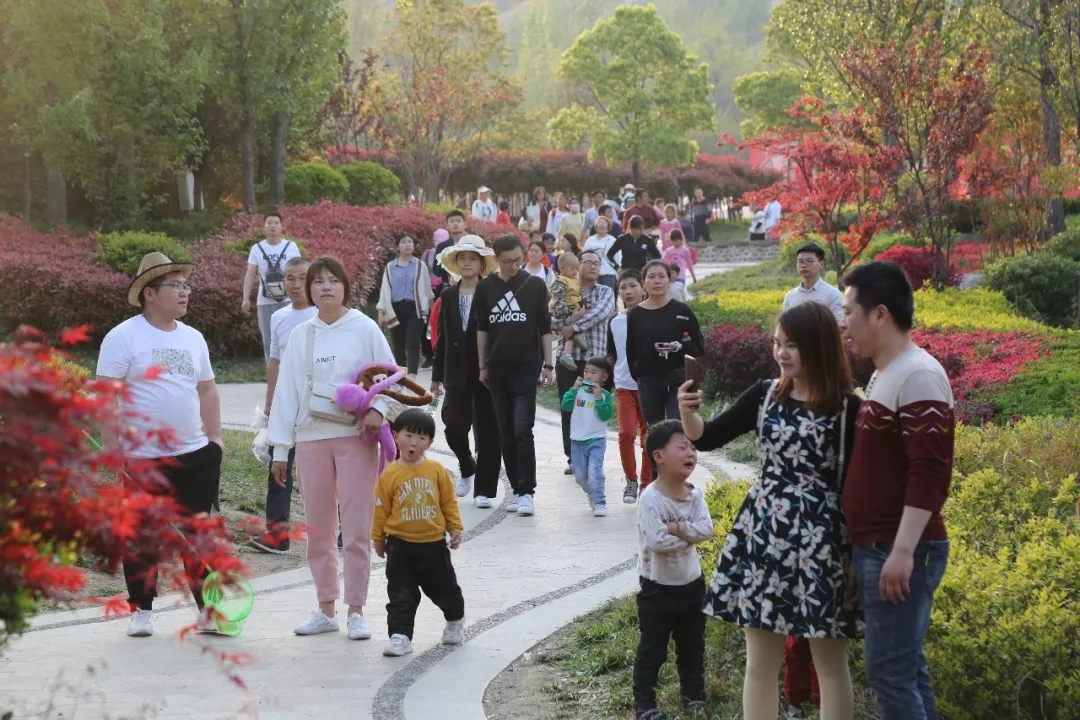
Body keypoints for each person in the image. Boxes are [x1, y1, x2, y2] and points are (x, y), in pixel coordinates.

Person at [678, 301, 862, 720]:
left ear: (819, 347)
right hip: (764, 532)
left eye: (793, 345)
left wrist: (859, 552)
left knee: (830, 663)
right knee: (760, 661)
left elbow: (856, 484)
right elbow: (707, 439)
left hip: (824, 540)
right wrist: (689, 412)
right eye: (778, 343)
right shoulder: (765, 394)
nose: (782, 353)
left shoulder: (848, 408)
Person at [841, 261, 954, 720]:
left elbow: (930, 473)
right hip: (880, 544)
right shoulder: (886, 372)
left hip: (902, 545)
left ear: (880, 314)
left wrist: (903, 551)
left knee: (889, 672)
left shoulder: (918, 374)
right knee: (906, 671)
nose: (844, 323)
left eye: (849, 311)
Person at [268, 255, 396, 640]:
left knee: (356, 527)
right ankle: (326, 608)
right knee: (319, 528)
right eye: (318, 281)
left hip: (356, 438)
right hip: (310, 440)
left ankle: (356, 609)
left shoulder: (364, 327)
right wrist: (279, 449)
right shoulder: (301, 334)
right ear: (308, 289)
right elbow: (287, 392)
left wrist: (378, 409)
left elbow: (390, 378)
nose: (325, 287)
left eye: (333, 280)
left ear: (345, 286)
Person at [96, 252, 224, 637]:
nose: (185, 292)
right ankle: (142, 611)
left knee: (199, 534)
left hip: (195, 453)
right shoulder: (123, 336)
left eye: (186, 285)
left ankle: (209, 610)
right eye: (176, 286)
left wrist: (215, 439)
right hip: (142, 457)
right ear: (150, 293)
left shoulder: (193, 338)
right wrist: (111, 448)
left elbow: (207, 388)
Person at [632, 420, 714, 720]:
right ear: (658, 456)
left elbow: (706, 529)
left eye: (692, 447)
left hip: (693, 585)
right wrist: (688, 535)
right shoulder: (651, 499)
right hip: (657, 589)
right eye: (682, 447)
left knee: (692, 646)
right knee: (653, 650)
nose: (690, 453)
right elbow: (656, 540)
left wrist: (677, 528)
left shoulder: (696, 495)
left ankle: (692, 696)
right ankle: (644, 704)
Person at [372, 409, 466, 658]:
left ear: (430, 443)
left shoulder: (436, 470)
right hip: (399, 545)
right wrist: (378, 538)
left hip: (433, 544)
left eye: (421, 438)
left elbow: (448, 503)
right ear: (395, 435)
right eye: (408, 435)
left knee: (444, 589)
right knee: (400, 593)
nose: (413, 442)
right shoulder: (389, 474)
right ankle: (400, 636)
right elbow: (381, 509)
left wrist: (454, 527)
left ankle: (455, 620)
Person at [475, 235, 554, 517]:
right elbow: (482, 329)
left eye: (518, 261)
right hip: (496, 369)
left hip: (525, 367)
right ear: (496, 259)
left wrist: (549, 365)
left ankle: (526, 491)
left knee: (523, 428)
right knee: (506, 433)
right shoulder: (486, 287)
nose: (513, 266)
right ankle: (517, 489)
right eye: (507, 262)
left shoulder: (534, 285)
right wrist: (482, 366)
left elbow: (545, 327)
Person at [250, 256, 317, 554]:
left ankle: (343, 530)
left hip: (318, 407)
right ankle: (277, 535)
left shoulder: (324, 314)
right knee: (280, 466)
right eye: (289, 277)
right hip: (286, 404)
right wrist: (270, 402)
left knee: (326, 469)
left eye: (301, 277)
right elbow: (274, 360)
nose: (294, 284)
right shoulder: (278, 317)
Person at [431, 235, 502, 509]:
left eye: (473, 258)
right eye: (463, 258)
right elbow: (443, 340)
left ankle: (484, 490)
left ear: (482, 264)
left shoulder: (491, 293)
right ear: (456, 263)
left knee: (488, 431)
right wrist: (436, 378)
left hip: (486, 373)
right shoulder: (447, 295)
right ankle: (466, 464)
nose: (467, 263)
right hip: (455, 373)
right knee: (453, 426)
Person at [551, 250, 616, 474]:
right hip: (567, 359)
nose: (593, 266)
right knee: (569, 408)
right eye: (587, 262)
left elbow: (599, 313)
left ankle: (593, 456)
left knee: (594, 409)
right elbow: (552, 318)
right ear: (577, 266)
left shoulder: (606, 291)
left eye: (597, 263)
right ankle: (573, 458)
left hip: (594, 361)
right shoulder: (564, 288)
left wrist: (572, 326)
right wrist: (570, 321)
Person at [625, 261, 704, 432]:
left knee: (676, 427)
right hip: (648, 380)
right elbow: (631, 352)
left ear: (669, 281)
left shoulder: (682, 311)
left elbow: (698, 347)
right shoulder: (635, 315)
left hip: (678, 379)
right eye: (651, 277)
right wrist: (640, 373)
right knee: (655, 432)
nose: (657, 281)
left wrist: (678, 346)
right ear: (644, 282)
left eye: (662, 276)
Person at [608, 269, 650, 505]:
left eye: (632, 286)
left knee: (647, 437)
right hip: (624, 385)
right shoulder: (615, 322)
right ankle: (631, 480)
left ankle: (646, 483)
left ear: (642, 288)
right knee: (625, 433)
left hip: (648, 386)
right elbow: (612, 354)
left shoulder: (652, 317)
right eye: (623, 287)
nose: (627, 291)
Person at [242, 211, 303, 363]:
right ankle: (273, 378)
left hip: (289, 299)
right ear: (264, 227)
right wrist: (245, 298)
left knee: (292, 337)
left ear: (281, 226)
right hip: (265, 301)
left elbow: (301, 272)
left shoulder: (291, 247)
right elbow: (250, 274)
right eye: (269, 223)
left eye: (276, 223)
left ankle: (292, 372)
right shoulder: (257, 248)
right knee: (269, 342)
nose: (273, 226)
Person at [561, 357, 615, 517]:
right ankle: (591, 493)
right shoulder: (578, 392)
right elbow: (565, 406)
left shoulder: (605, 395)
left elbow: (605, 415)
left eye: (594, 372)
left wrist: (598, 398)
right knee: (580, 477)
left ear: (604, 377)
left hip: (596, 440)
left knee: (594, 471)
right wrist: (573, 389)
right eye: (586, 371)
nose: (589, 376)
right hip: (577, 441)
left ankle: (600, 502)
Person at [377, 234, 434, 377]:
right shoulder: (390, 267)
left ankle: (412, 375)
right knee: (398, 344)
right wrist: (381, 312)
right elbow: (384, 290)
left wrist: (434, 313)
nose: (407, 244)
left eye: (410, 242)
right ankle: (400, 375)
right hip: (395, 309)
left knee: (412, 342)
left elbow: (428, 290)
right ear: (398, 246)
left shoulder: (420, 265)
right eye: (403, 242)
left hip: (415, 308)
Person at [783, 242, 845, 324]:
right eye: (800, 262)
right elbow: (784, 325)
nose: (804, 265)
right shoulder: (790, 296)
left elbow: (838, 324)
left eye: (809, 261)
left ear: (821, 264)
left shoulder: (832, 294)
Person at [549, 253, 586, 371]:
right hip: (564, 309)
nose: (575, 271)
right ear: (562, 267)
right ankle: (567, 354)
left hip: (573, 307)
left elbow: (579, 294)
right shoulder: (560, 281)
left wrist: (585, 302)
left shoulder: (575, 280)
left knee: (570, 328)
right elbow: (558, 297)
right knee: (569, 329)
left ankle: (576, 337)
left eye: (576, 269)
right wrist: (564, 312)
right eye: (572, 268)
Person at [433, 209, 469, 287]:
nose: (455, 224)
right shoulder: (442, 247)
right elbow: (436, 270)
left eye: (458, 221)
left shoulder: (472, 243)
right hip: (450, 287)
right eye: (452, 221)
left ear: (465, 224)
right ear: (447, 225)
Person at [582, 217, 619, 291]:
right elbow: (583, 256)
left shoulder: (612, 240)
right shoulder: (590, 240)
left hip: (608, 275)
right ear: (596, 226)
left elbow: (618, 258)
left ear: (608, 226)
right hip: (591, 274)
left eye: (604, 224)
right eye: (599, 224)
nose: (601, 226)